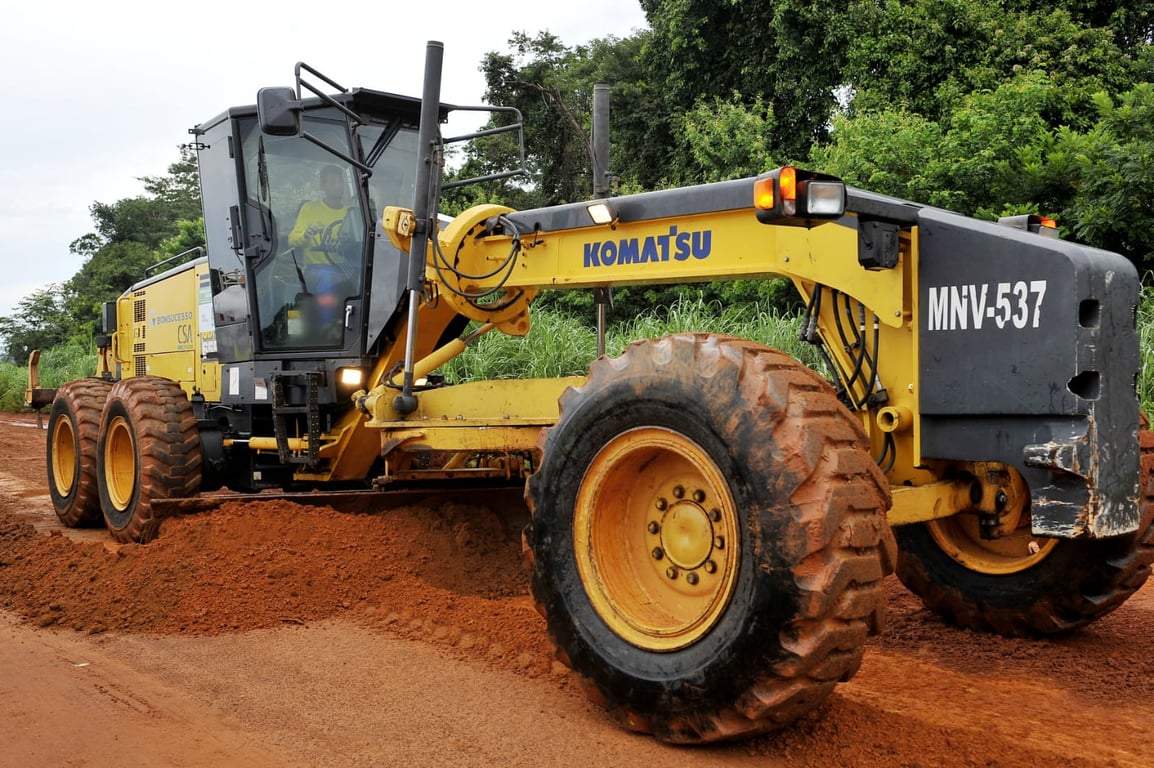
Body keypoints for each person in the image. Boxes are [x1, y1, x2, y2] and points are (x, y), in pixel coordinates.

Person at [288, 165, 348, 266]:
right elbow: (292, 240)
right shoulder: (309, 209)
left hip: (346, 267)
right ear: (323, 186)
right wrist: (305, 235)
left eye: (340, 182)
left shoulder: (349, 213)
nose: (338, 186)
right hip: (316, 269)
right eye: (333, 182)